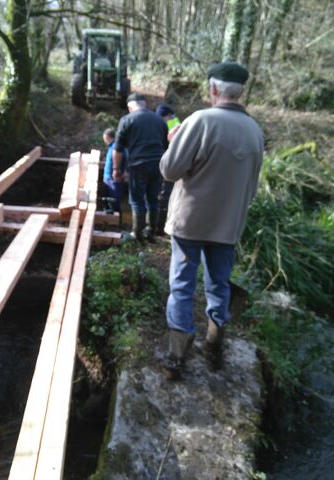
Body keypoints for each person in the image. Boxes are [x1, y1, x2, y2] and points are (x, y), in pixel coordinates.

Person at [159, 62, 264, 380]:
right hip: (228, 226)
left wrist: (174, 141)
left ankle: (177, 356)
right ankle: (214, 345)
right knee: (219, 285)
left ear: (214, 89)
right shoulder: (255, 131)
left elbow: (169, 170)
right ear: (240, 91)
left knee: (182, 285)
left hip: (190, 223)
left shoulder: (200, 121)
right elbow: (253, 185)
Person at [113, 93, 168, 241]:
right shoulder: (159, 120)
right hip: (158, 165)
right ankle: (150, 232)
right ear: (144, 104)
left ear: (130, 107)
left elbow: (117, 149)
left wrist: (116, 170)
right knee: (153, 198)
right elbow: (165, 145)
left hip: (138, 165)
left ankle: (137, 233)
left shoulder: (127, 119)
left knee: (137, 199)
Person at [154, 104, 181, 235]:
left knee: (163, 196)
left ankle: (157, 228)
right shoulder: (171, 124)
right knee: (164, 196)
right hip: (166, 164)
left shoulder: (173, 125)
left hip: (169, 165)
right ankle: (158, 227)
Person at [102, 128, 126, 214]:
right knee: (109, 201)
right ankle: (110, 218)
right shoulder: (111, 147)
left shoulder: (118, 146)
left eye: (105, 138)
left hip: (114, 179)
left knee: (115, 200)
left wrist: (124, 172)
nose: (104, 141)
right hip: (108, 178)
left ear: (108, 137)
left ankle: (117, 219)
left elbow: (126, 159)